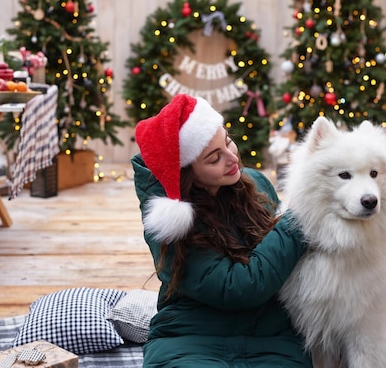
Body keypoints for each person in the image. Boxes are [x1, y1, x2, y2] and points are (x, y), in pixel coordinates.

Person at [131, 94, 312, 367]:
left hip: (270, 334)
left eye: (227, 141)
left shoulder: (257, 184)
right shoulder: (171, 225)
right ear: (188, 175)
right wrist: (296, 219)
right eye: (214, 158)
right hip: (191, 335)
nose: (232, 158)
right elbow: (237, 287)